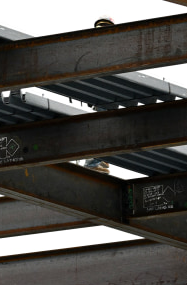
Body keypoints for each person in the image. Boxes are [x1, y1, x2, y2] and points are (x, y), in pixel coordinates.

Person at [84, 16, 115, 175]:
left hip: (108, 90)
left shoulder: (103, 46)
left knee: (104, 123)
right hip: (106, 90)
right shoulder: (99, 46)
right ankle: (97, 161)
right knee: (103, 123)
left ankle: (99, 161)